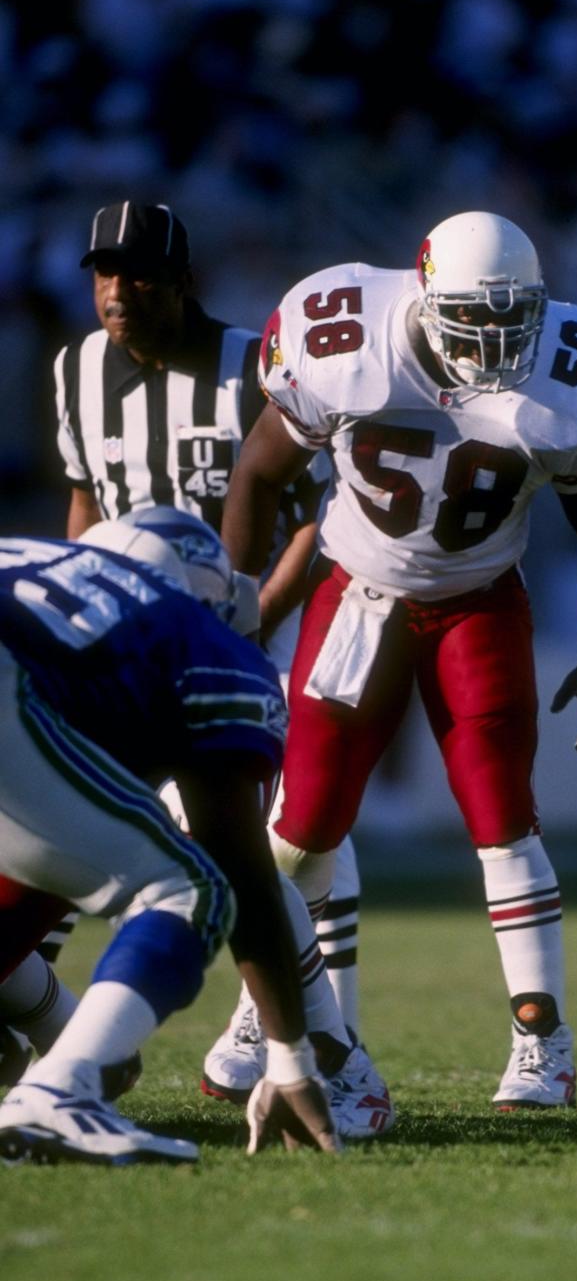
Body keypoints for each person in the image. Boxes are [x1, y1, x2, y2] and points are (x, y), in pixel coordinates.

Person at [210, 210, 577, 1110]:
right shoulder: (343, 340)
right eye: (473, 318)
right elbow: (258, 473)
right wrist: (231, 604)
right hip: (357, 595)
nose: (493, 341)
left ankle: (543, 1041)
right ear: (425, 292)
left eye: (511, 318)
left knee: (501, 813)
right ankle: (272, 1005)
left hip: (479, 601)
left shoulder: (572, 375)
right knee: (299, 829)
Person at [41, 199, 364, 1059]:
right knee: (86, 817)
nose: (118, 289)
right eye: (105, 272)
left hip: (246, 632)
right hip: (125, 644)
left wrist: (252, 617)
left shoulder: (252, 367)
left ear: (184, 280)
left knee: (270, 831)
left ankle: (322, 1036)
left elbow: (317, 517)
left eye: (139, 272)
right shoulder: (75, 368)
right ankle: (49, 1023)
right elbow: (85, 499)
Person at [0, 510, 339, 1165]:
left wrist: (57, 1024)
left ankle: (65, 1059)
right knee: (191, 889)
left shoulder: (32, 556)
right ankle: (59, 1092)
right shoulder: (187, 625)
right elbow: (235, 862)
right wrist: (290, 1055)